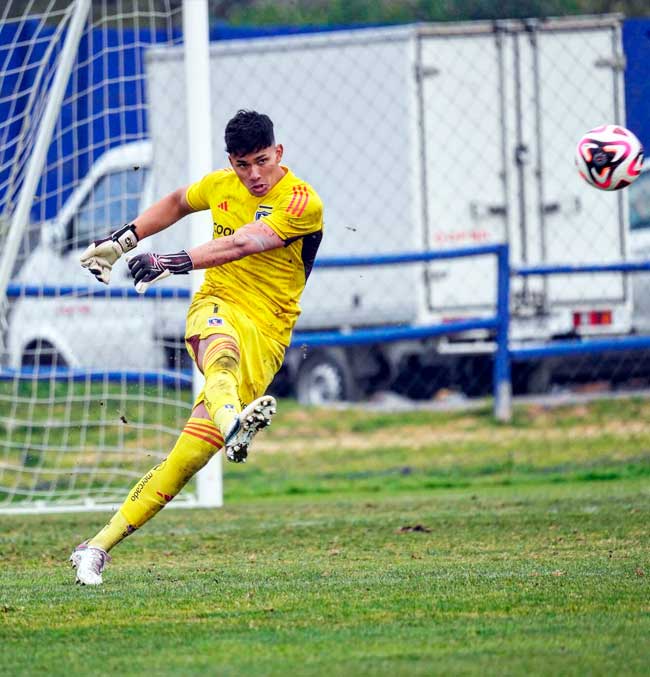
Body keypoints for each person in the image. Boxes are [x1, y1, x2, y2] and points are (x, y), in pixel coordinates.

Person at [70, 110, 324, 585]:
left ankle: (94, 547)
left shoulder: (301, 201)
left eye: (262, 161)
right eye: (242, 165)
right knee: (220, 358)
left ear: (279, 153)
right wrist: (121, 241)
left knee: (186, 459)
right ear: (231, 162)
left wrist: (173, 260)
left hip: (268, 333)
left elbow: (245, 243)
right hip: (217, 305)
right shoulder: (221, 185)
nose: (253, 175)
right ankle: (234, 426)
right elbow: (176, 202)